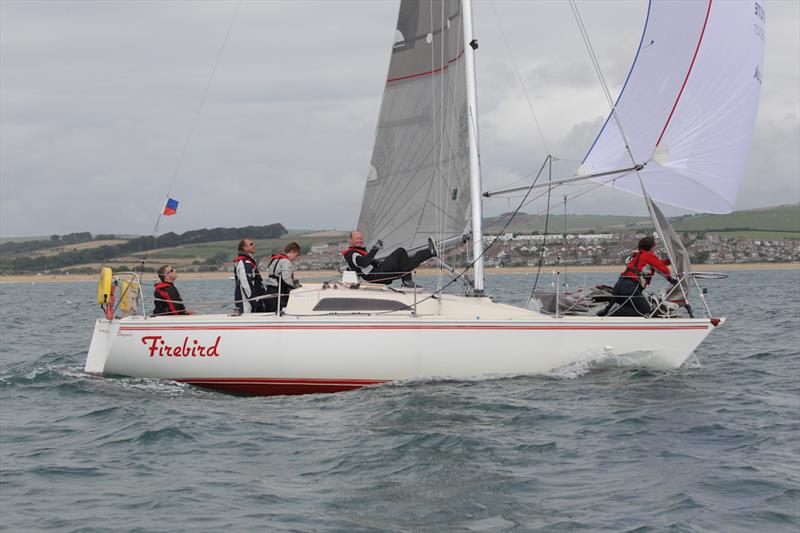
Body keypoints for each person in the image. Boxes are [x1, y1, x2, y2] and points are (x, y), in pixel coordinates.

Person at [600, 235, 678, 317]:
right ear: (651, 248)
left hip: (619, 285)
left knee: (622, 307)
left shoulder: (637, 256)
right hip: (630, 287)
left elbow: (657, 264)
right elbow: (662, 269)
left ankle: (604, 315)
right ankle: (615, 312)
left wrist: (670, 261)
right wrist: (671, 280)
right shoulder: (648, 255)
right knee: (644, 311)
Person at [343, 230, 437, 287]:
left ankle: (430, 252)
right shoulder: (352, 254)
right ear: (350, 240)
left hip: (380, 275)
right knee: (400, 252)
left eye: (360, 238)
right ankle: (407, 282)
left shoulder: (357, 253)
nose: (360, 240)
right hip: (377, 276)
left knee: (406, 263)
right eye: (357, 238)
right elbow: (364, 263)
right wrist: (375, 249)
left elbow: (352, 268)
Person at [265, 242, 301, 313]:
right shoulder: (286, 262)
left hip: (270, 290)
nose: (295, 258)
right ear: (292, 251)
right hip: (279, 292)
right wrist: (295, 287)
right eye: (296, 255)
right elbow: (286, 279)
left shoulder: (274, 260)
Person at [234, 239, 268, 314]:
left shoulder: (248, 261)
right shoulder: (244, 263)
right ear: (244, 248)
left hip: (254, 301)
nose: (254, 245)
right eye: (251, 244)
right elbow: (246, 284)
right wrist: (255, 301)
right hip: (247, 305)